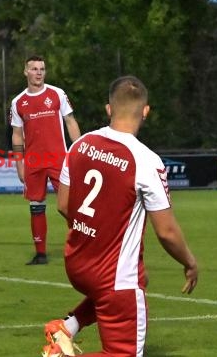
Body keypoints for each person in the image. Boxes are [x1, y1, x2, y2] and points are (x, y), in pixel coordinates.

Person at [41, 76, 198, 357]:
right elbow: (167, 232)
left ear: (108, 109)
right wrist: (189, 262)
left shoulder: (80, 145)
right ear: (145, 112)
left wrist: (92, 236)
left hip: (77, 263)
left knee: (140, 280)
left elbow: (64, 205)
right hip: (113, 276)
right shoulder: (146, 160)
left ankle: (67, 326)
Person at [10, 55, 81, 265]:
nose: (39, 72)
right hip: (33, 162)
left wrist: (79, 152)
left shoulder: (57, 94)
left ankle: (84, 244)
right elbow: (16, 134)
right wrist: (19, 163)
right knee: (36, 206)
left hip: (59, 159)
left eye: (42, 68)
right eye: (34, 69)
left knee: (69, 205)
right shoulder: (18, 102)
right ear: (26, 72)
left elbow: (70, 122)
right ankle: (40, 253)